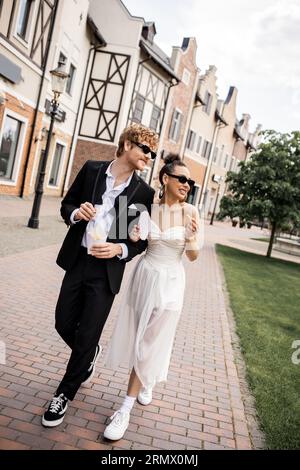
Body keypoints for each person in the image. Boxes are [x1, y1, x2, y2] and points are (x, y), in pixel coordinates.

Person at [42, 124, 158, 427]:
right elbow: (66, 205)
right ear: (127, 144)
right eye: (145, 149)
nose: (150, 155)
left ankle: (64, 394)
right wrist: (76, 214)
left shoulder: (142, 192)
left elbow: (138, 240)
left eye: (152, 152)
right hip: (78, 260)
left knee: (88, 331)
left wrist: (119, 249)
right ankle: (89, 353)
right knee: (63, 322)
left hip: (106, 272)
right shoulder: (93, 170)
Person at [103, 154, 200, 441]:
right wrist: (133, 236)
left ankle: (124, 409)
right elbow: (134, 239)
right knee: (139, 338)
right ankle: (148, 377)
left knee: (150, 342)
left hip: (171, 282)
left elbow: (193, 256)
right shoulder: (148, 207)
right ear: (165, 179)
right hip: (144, 277)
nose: (187, 184)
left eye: (190, 181)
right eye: (181, 179)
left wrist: (193, 237)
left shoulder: (191, 212)